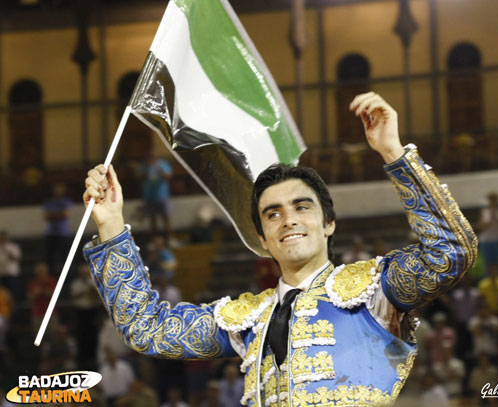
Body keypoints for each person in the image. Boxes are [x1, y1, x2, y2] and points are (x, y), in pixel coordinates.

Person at [82, 92, 477, 406]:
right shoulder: (246, 320)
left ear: (328, 224)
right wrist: (111, 223)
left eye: (302, 207)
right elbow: (147, 329)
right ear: (262, 240)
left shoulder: (374, 291)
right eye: (273, 214)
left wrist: (393, 153)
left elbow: (451, 253)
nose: (288, 219)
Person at [140, 151, 173, 239]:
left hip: (162, 195)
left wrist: (158, 169)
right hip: (150, 196)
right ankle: (154, 240)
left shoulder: (163, 164)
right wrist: (148, 169)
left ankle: (169, 239)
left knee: (166, 217)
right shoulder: (145, 165)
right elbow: (141, 178)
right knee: (152, 219)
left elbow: (168, 177)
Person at [43, 183, 73, 274]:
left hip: (62, 233)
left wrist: (53, 214)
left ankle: (68, 276)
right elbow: (46, 216)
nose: (57, 192)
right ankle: (51, 276)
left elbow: (65, 215)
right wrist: (59, 214)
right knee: (49, 258)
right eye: (56, 191)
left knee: (65, 257)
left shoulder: (66, 201)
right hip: (50, 233)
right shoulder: (49, 202)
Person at [0, 231, 22, 297]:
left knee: (12, 294)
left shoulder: (13, 247)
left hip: (11, 274)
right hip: (2, 274)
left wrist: (6, 251)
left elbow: (17, 258)